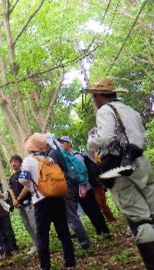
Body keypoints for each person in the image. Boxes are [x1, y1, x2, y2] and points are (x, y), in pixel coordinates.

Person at [86, 77, 154, 268]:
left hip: (121, 169)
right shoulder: (130, 110)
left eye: (94, 96)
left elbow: (105, 136)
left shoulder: (105, 111)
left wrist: (91, 141)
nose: (93, 100)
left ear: (100, 96)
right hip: (141, 163)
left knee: (140, 219)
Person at [19, 133, 76, 270]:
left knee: (42, 237)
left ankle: (45, 267)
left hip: (42, 201)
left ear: (31, 147)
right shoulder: (49, 158)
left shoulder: (28, 160)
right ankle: (70, 263)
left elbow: (23, 180)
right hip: (57, 198)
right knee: (64, 232)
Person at [45, 134, 91, 249]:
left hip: (67, 186)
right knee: (72, 214)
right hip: (72, 185)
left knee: (71, 215)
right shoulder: (59, 151)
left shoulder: (52, 154)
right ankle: (83, 239)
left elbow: (51, 170)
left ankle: (84, 242)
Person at [59, 136, 110, 237]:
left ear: (69, 144)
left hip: (86, 188)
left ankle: (105, 231)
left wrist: (83, 186)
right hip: (78, 190)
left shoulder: (77, 156)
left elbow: (83, 171)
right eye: (60, 142)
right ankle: (99, 231)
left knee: (94, 210)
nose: (61, 144)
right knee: (88, 211)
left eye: (63, 142)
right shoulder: (67, 158)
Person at [8, 155, 37, 255]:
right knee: (27, 225)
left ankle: (42, 244)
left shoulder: (24, 173)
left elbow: (27, 186)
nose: (14, 164)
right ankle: (36, 244)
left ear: (20, 163)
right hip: (20, 206)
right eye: (12, 162)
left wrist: (18, 199)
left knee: (34, 224)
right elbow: (10, 189)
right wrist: (14, 200)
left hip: (29, 202)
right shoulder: (11, 177)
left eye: (16, 161)